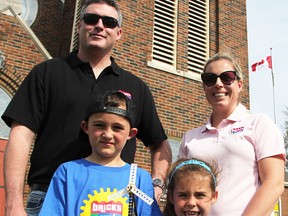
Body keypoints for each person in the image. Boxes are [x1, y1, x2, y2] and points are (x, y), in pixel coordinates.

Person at [2, 0, 171, 215]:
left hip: (113, 203)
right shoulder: (47, 72)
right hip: (48, 199)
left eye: (109, 22)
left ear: (118, 33)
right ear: (79, 26)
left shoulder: (135, 86)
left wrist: (155, 185)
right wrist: (13, 203)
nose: (100, 25)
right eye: (92, 19)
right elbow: (21, 136)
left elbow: (160, 144)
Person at [178, 52, 286, 216]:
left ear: (240, 84)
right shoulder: (189, 138)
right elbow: (181, 189)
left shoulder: (259, 124)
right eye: (210, 79)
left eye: (227, 77)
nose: (218, 84)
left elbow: (274, 183)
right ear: (204, 86)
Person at [39, 91, 162, 215]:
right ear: (86, 127)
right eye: (99, 125)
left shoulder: (140, 178)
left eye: (117, 128)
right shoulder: (67, 172)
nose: (107, 135)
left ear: (131, 133)